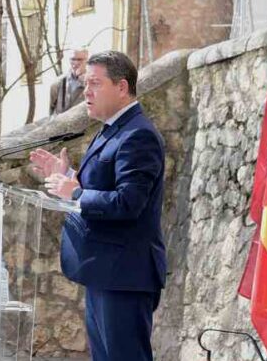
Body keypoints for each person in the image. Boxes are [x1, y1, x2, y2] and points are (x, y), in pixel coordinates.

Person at [30, 50, 166, 361]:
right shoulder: (113, 128)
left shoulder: (138, 134)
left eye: (94, 83)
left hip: (124, 276)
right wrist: (66, 176)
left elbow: (129, 202)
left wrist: (75, 193)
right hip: (104, 271)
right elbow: (103, 185)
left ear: (121, 87)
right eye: (84, 83)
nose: (86, 92)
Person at [49, 48, 89, 115]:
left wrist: (84, 82)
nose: (76, 63)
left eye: (80, 59)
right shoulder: (58, 83)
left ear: (87, 61)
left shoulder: (93, 83)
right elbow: (51, 110)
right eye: (73, 59)